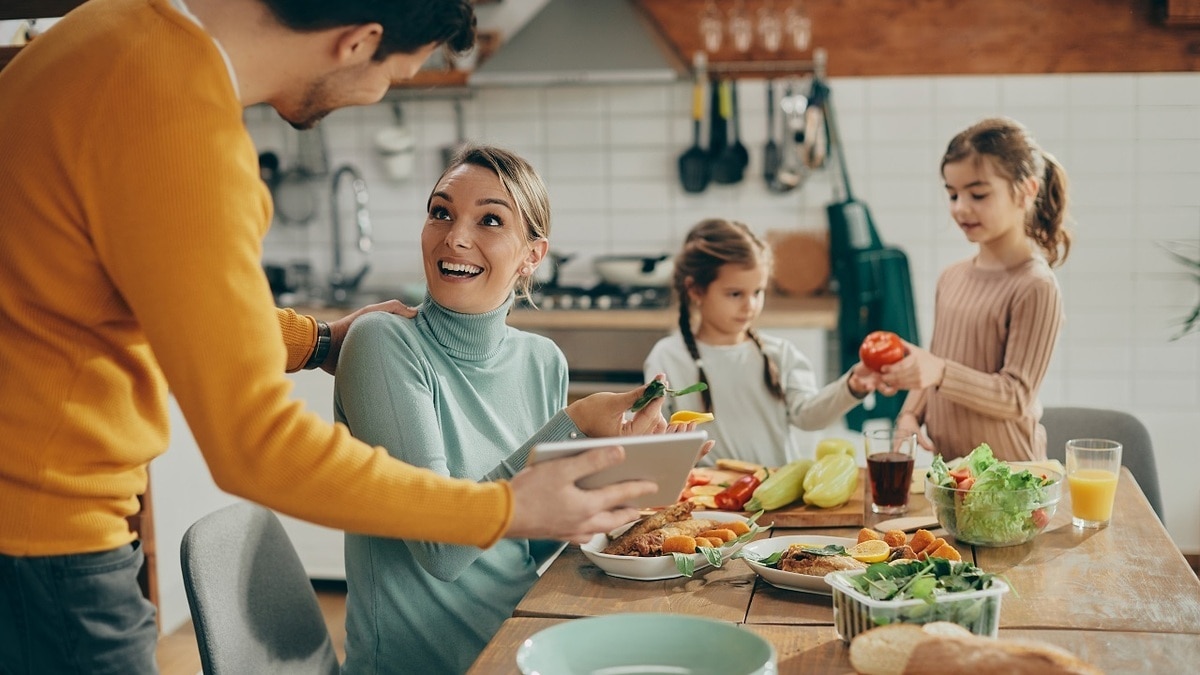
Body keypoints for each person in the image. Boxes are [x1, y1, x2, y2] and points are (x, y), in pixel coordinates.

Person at [0, 1, 661, 672]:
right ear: (358, 43)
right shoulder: (179, 124)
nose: (380, 96)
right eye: (395, 76)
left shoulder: (106, 32)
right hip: (43, 537)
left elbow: (163, 299)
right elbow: (253, 444)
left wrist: (316, 340)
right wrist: (501, 506)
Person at [334, 145, 708, 674]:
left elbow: (531, 545)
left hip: (525, 640)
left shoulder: (541, 360)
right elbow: (442, 551)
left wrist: (622, 476)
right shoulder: (382, 344)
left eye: (489, 220)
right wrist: (573, 425)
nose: (455, 236)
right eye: (441, 212)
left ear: (533, 255)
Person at [882, 116, 1071, 462]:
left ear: (1026, 191)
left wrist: (939, 371)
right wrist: (910, 413)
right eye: (952, 194)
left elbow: (1015, 396)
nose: (960, 208)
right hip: (952, 476)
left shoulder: (1035, 286)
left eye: (978, 194)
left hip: (1011, 480)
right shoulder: (951, 277)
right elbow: (939, 358)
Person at [644, 218, 882, 467]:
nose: (751, 306)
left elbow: (809, 417)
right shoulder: (667, 357)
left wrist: (852, 386)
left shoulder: (780, 353)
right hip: (704, 496)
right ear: (695, 290)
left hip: (773, 496)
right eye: (735, 294)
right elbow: (655, 435)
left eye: (758, 292)